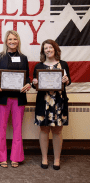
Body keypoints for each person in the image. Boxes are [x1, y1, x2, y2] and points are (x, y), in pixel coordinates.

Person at [0, 30, 31, 168]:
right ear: (6, 41)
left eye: (14, 39)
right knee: (1, 128)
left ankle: (16, 157)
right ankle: (1, 156)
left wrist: (28, 84)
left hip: (19, 98)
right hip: (2, 97)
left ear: (18, 41)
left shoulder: (24, 58)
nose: (12, 41)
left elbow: (27, 77)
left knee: (18, 128)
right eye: (10, 39)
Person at [32, 39, 70, 170]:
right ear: (43, 51)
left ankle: (57, 159)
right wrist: (35, 82)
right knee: (44, 130)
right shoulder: (38, 66)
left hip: (59, 102)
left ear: (55, 49)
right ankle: (44, 158)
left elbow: (68, 82)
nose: (48, 50)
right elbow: (34, 84)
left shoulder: (63, 64)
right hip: (43, 101)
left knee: (57, 131)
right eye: (46, 48)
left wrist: (66, 80)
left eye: (50, 47)